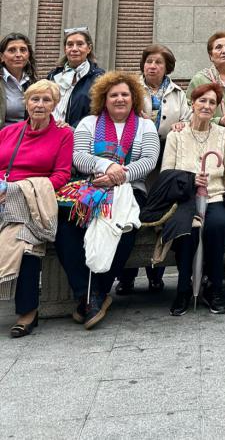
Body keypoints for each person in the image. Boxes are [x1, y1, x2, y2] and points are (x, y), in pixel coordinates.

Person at [54, 71, 159, 329]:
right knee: (66, 228)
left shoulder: (145, 126)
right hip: (92, 186)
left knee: (123, 228)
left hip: (131, 189)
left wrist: (118, 176)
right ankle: (86, 294)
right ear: (104, 98)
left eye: (125, 94)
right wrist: (105, 167)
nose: (120, 99)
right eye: (114, 95)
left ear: (133, 98)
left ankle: (96, 294)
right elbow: (78, 156)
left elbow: (148, 161)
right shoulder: (89, 123)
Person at [162, 82, 225, 316]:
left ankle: (214, 287)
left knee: (218, 225)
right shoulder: (176, 135)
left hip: (215, 197)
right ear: (192, 103)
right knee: (187, 230)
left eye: (212, 102)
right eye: (202, 100)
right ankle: (182, 288)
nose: (207, 106)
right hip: (184, 199)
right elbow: (166, 176)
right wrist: (189, 181)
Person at [117, 43, 192, 296]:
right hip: (136, 156)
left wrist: (182, 125)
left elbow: (188, 118)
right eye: (149, 61)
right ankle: (126, 276)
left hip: (166, 159)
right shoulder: (131, 88)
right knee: (133, 211)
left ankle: (155, 273)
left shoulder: (177, 92)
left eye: (158, 62)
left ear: (167, 67)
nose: (153, 66)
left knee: (160, 212)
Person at [0, 80, 73, 336]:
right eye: (35, 99)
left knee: (26, 246)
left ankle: (27, 313)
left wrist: (19, 190)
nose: (39, 105)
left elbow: (61, 175)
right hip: (1, 197)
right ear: (26, 102)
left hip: (34, 203)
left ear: (54, 105)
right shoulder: (8, 132)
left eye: (46, 100)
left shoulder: (64, 134)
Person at [46, 28, 105, 127]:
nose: (74, 49)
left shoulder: (99, 78)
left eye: (80, 44)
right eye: (70, 45)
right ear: (65, 49)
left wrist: (73, 128)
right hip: (50, 133)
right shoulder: (53, 76)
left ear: (89, 48)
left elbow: (99, 112)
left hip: (79, 135)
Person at [1, 33, 38, 129]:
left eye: (23, 50)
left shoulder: (34, 83)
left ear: (28, 55)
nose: (18, 55)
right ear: (1, 57)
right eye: (12, 50)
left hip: (29, 138)